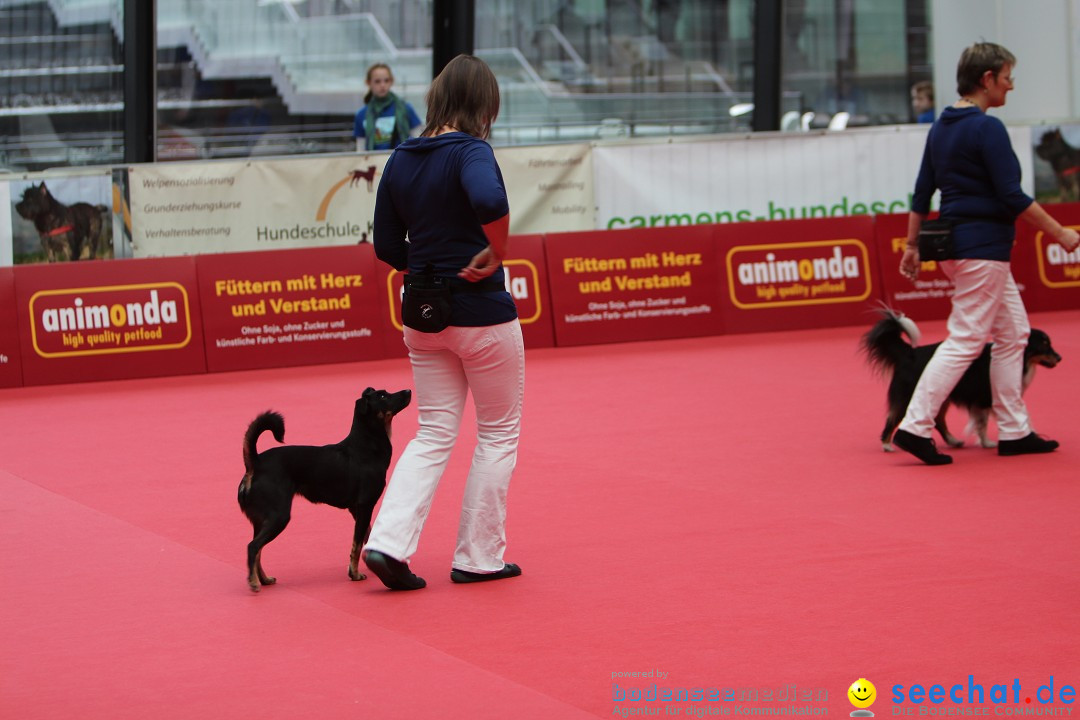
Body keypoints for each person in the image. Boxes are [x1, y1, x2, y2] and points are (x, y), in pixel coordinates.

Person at [362, 55, 524, 590]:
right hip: (481, 315)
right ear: (483, 106)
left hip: (422, 316)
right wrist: (495, 250)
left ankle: (386, 543)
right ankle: (479, 558)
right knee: (497, 434)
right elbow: (490, 198)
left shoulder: (401, 159)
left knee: (432, 432)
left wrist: (426, 265)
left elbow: (386, 245)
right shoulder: (472, 151)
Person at [893, 42, 1080, 465]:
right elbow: (1011, 195)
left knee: (1013, 334)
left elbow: (922, 192)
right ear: (987, 79)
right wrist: (1059, 233)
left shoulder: (942, 125)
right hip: (981, 250)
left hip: (956, 248)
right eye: (1008, 78)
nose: (1011, 87)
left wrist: (910, 246)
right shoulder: (986, 128)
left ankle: (1014, 431)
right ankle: (914, 426)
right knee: (967, 338)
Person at [353, 63, 422, 152]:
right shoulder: (361, 114)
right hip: (374, 164)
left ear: (391, 81)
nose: (382, 85)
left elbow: (418, 141)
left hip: (401, 162)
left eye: (386, 80)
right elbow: (360, 150)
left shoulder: (406, 109)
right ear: (368, 83)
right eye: (377, 81)